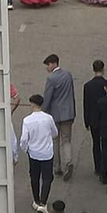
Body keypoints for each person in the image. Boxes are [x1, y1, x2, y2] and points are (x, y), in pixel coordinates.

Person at [42, 53, 77, 181]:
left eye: (48, 65)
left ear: (53, 64)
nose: (47, 68)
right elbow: (71, 93)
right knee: (67, 140)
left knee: (55, 141)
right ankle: (69, 162)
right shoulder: (68, 75)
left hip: (55, 114)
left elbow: (48, 98)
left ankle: (57, 167)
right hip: (68, 113)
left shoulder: (51, 79)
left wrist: (43, 111)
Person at [20, 95, 59, 207]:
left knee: (34, 176)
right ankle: (43, 200)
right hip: (47, 152)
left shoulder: (27, 120)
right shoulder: (48, 118)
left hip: (33, 153)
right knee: (47, 177)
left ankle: (36, 200)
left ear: (32, 104)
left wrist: (26, 149)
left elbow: (24, 139)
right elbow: (55, 133)